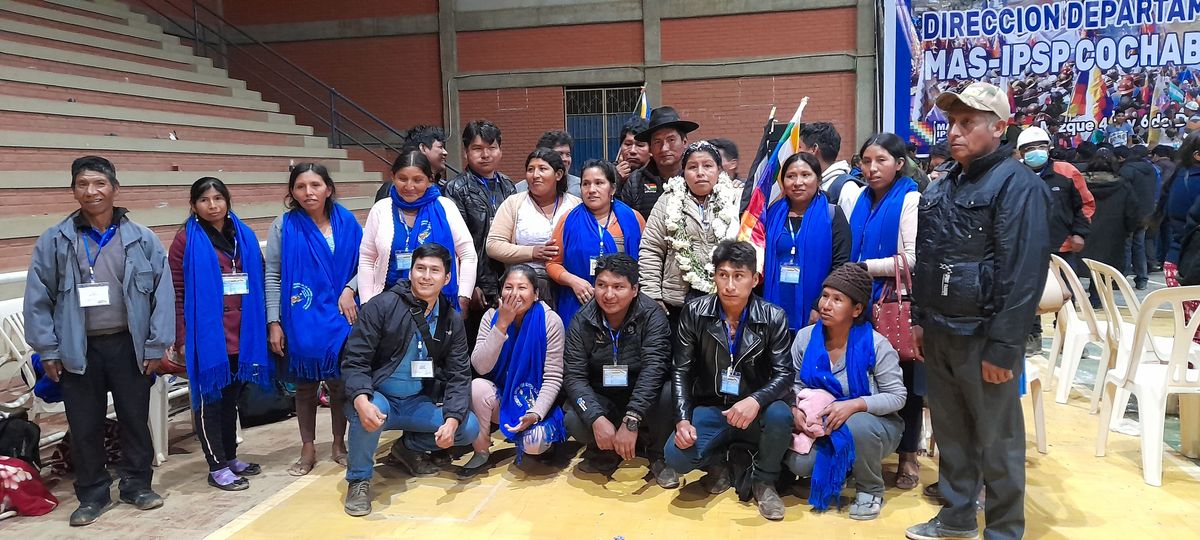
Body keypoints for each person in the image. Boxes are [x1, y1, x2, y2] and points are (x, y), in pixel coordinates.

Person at [908, 82, 1051, 540]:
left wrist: (1005, 346)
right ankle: (956, 517)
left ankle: (1004, 530)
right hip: (941, 331)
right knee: (951, 433)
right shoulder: (944, 183)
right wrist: (919, 320)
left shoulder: (1018, 185)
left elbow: (1023, 273)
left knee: (998, 440)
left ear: (999, 127)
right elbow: (927, 259)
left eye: (968, 122)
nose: (955, 131)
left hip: (984, 336)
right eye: (952, 121)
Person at [24, 156, 173, 525]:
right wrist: (48, 349)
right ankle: (92, 494)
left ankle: (137, 485)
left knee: (134, 419)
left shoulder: (142, 239)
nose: (91, 191)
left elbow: (162, 294)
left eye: (99, 183)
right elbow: (38, 298)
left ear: (114, 188)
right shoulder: (55, 240)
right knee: (84, 425)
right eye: (83, 184)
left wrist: (156, 344)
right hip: (78, 349)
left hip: (129, 345)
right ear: (74, 190)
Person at [340, 244, 479, 516]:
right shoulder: (382, 306)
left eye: (434, 270)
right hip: (380, 398)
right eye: (420, 268)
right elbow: (355, 360)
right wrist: (361, 400)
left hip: (418, 402)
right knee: (369, 409)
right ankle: (358, 480)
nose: (426, 276)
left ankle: (406, 448)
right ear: (411, 271)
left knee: (468, 427)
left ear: (447, 278)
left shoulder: (451, 319)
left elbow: (459, 375)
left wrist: (452, 420)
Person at [663, 240, 794, 521]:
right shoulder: (695, 312)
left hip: (754, 410)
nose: (730, 285)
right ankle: (718, 464)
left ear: (754, 279)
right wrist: (683, 420)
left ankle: (764, 481)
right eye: (723, 275)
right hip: (712, 406)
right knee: (675, 455)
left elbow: (785, 374)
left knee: (781, 414)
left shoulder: (773, 316)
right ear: (714, 277)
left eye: (738, 276)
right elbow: (681, 370)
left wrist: (755, 400)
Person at [168, 177, 271, 491]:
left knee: (230, 402)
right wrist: (182, 338)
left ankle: (230, 457)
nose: (212, 206)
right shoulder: (185, 240)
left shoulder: (243, 234)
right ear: (193, 205)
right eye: (204, 200)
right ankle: (216, 466)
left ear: (227, 201)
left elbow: (259, 276)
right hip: (208, 336)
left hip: (242, 333)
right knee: (209, 402)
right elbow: (177, 292)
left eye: (218, 198)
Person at [785, 263, 906, 521]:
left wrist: (855, 404)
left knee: (856, 424)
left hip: (875, 427)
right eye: (825, 296)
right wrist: (795, 410)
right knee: (800, 464)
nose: (826, 305)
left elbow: (897, 396)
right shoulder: (805, 338)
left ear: (857, 309)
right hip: (822, 424)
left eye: (837, 299)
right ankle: (844, 471)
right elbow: (792, 383)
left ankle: (870, 489)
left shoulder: (876, 345)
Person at [265, 163, 363, 476]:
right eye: (301, 186)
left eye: (316, 185)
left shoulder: (347, 222)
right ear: (292, 192)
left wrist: (349, 289)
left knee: (339, 384)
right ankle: (307, 447)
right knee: (305, 386)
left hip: (342, 313)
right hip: (301, 315)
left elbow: (366, 263)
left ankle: (338, 443)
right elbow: (273, 275)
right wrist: (273, 321)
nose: (308, 192)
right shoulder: (283, 226)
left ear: (328, 189)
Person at [843, 132, 923, 491]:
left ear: (899, 163)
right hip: (860, 300)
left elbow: (912, 259)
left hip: (893, 302)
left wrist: (865, 267)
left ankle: (908, 456)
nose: (872, 168)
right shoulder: (860, 199)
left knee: (904, 378)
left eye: (881, 160)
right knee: (865, 374)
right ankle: (866, 449)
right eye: (866, 161)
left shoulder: (910, 198)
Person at [561, 254, 677, 486]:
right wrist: (596, 418)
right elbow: (574, 376)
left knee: (669, 392)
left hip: (644, 397)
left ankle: (658, 454)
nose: (608, 294)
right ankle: (605, 451)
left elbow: (654, 369)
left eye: (618, 287)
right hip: (605, 396)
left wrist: (632, 419)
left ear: (635, 289)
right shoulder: (582, 320)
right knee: (574, 417)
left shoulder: (652, 315)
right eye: (601, 285)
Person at [639, 141, 742, 328]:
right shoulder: (668, 200)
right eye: (692, 167)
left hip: (725, 299)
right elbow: (651, 249)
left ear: (719, 170)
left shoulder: (735, 199)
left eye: (708, 166)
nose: (700, 172)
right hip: (677, 303)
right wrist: (652, 296)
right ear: (684, 171)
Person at [359, 151, 477, 310]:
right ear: (393, 177)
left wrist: (463, 296)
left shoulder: (446, 207)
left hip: (438, 305)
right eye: (402, 179)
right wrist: (367, 303)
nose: (409, 186)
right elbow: (367, 259)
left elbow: (468, 254)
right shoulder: (381, 209)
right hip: (388, 305)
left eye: (417, 180)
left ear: (429, 180)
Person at [1015, 127, 1089, 354]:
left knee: (1067, 294)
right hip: (1026, 246)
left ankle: (1067, 337)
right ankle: (1032, 336)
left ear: (1049, 148)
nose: (1036, 151)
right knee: (1028, 294)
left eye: (1040, 146)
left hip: (1063, 245)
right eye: (1030, 148)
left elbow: (1085, 205)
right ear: (1021, 152)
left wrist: (1079, 233)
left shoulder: (1066, 172)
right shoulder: (1015, 175)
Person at [760, 152, 851, 330]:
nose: (798, 182)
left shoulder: (833, 215)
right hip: (774, 301)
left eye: (805, 175)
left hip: (817, 307)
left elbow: (841, 265)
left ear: (818, 180)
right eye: (791, 176)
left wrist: (819, 305)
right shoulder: (771, 215)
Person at [547, 159, 644, 324]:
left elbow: (647, 261)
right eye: (586, 184)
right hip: (579, 302)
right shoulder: (568, 220)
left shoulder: (633, 219)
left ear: (612, 188)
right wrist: (573, 281)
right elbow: (552, 263)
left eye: (599, 183)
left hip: (624, 305)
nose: (591, 190)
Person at [444, 120, 518, 325]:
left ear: (500, 150)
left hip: (507, 281)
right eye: (477, 149)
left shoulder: (508, 185)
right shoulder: (455, 188)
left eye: (492, 148)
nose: (486, 155)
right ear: (466, 152)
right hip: (478, 286)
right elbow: (456, 243)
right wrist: (469, 285)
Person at [486, 148, 582, 304]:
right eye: (530, 169)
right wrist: (532, 252)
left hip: (569, 285)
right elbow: (493, 245)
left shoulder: (575, 205)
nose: (535, 175)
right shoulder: (514, 203)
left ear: (558, 175)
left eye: (542, 169)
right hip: (524, 288)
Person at [1080, 148, 1140, 306]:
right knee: (1103, 268)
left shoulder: (1079, 183)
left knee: (1074, 267)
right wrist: (1128, 229)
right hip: (1113, 232)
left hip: (1084, 229)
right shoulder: (1123, 185)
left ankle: (1071, 301)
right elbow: (1132, 211)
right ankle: (1097, 299)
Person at [617, 106, 698, 219]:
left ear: (684, 142)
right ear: (650, 148)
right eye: (657, 142)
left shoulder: (697, 177)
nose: (664, 148)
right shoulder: (635, 181)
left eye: (671, 140)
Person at [374, 125, 457, 201]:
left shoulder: (445, 188)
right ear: (423, 148)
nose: (445, 152)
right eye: (440, 147)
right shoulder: (391, 189)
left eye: (418, 180)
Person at [1120, 145, 1159, 289]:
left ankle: (1122, 277)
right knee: (1139, 245)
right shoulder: (1152, 169)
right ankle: (1142, 278)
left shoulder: (1126, 170)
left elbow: (1124, 192)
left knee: (1126, 245)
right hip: (1147, 212)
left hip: (1130, 212)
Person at [798, 121, 864, 204]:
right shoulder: (814, 185)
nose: (796, 152)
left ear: (814, 149)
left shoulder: (847, 189)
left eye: (799, 147)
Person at [525, 130, 581, 197]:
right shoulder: (520, 190)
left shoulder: (580, 187)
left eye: (568, 155)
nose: (565, 159)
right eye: (559, 154)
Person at [709, 138, 754, 213]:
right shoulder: (700, 191)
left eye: (716, 160)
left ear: (733, 164)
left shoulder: (748, 191)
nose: (710, 165)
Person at [615, 117, 650, 183]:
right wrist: (615, 180)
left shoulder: (661, 174)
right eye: (628, 144)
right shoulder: (606, 175)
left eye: (640, 145)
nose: (632, 151)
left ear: (651, 149)